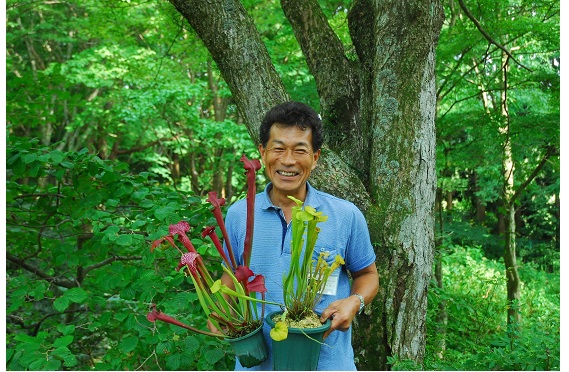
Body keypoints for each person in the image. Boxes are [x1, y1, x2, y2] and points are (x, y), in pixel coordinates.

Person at [222, 101, 379, 370]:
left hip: (329, 363)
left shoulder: (345, 215)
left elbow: (368, 275)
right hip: (257, 365)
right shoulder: (239, 214)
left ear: (315, 158)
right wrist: (222, 315)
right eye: (278, 148)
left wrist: (355, 301)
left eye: (300, 150)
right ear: (263, 152)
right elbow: (230, 278)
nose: (288, 160)